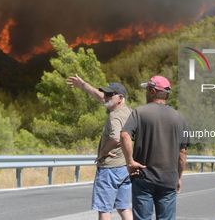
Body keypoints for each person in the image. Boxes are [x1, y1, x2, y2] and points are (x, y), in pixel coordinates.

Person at [120, 76, 190, 220]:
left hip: (143, 177)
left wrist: (130, 161)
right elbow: (182, 152)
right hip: (169, 179)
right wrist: (179, 177)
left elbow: (124, 135)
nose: (146, 93)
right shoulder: (179, 117)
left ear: (152, 91)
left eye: (147, 90)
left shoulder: (139, 112)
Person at [67, 74, 132, 220]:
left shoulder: (114, 116)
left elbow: (115, 138)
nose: (106, 97)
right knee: (124, 207)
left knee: (104, 209)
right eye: (106, 94)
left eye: (111, 95)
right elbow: (101, 98)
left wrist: (103, 151)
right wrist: (84, 85)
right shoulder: (127, 111)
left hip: (109, 169)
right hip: (124, 167)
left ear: (120, 98)